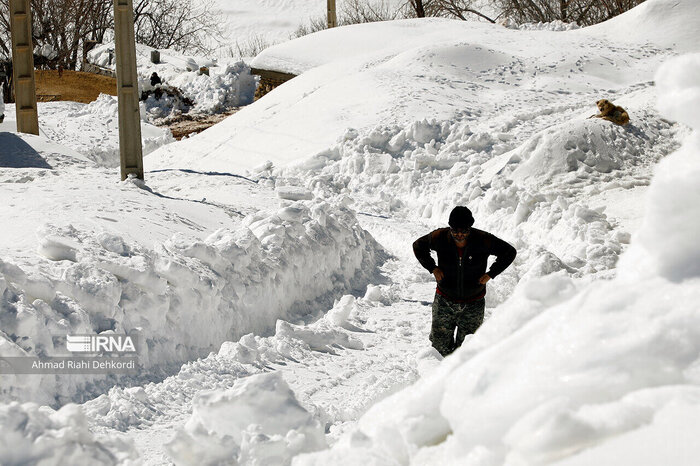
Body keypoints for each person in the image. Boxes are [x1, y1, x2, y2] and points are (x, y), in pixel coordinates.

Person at [413, 206, 516, 356]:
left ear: (470, 228)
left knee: (467, 351)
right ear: (450, 227)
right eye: (455, 231)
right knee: (440, 348)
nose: (459, 235)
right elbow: (418, 246)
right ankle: (440, 378)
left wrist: (491, 274)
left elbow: (509, 252)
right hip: (444, 301)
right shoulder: (440, 237)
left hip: (473, 303)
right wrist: (433, 268)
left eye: (464, 231)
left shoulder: (483, 240)